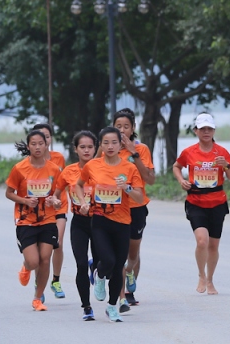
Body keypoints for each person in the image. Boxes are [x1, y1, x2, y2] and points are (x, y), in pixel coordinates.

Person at [77, 126, 145, 322]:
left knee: (119, 267)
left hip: (123, 222)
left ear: (120, 144)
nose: (110, 146)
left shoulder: (129, 168)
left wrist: (128, 188)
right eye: (105, 142)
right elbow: (79, 185)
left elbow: (140, 198)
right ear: (101, 145)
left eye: (114, 142)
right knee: (108, 260)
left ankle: (112, 306)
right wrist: (83, 202)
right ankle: (99, 275)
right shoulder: (93, 165)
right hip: (100, 220)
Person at [172, 112, 230, 295]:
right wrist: (181, 180)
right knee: (202, 241)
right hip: (196, 201)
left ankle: (210, 280)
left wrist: (226, 166)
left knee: (213, 246)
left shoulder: (222, 152)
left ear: (214, 130)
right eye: (202, 129)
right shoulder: (189, 152)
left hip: (217, 202)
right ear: (196, 131)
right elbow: (176, 166)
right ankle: (201, 275)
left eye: (209, 129)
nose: (206, 132)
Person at [5, 128, 63, 311]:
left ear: (47, 145)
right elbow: (8, 193)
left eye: (41, 143)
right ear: (28, 146)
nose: (38, 147)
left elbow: (58, 195)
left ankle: (37, 299)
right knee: (33, 261)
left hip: (47, 219)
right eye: (33, 144)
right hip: (25, 220)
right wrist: (24, 200)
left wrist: (54, 200)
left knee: (45, 259)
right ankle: (25, 267)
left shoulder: (54, 169)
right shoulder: (19, 168)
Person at [53, 130, 99, 321]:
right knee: (80, 264)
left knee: (101, 264)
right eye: (82, 147)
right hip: (79, 223)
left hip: (99, 223)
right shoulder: (69, 171)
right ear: (75, 149)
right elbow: (56, 194)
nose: (86, 151)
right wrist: (55, 201)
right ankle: (87, 307)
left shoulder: (102, 168)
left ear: (96, 148)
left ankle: (94, 266)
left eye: (90, 147)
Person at [112, 108, 154, 308]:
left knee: (132, 254)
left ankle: (130, 276)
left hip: (136, 206)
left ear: (133, 128)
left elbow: (150, 179)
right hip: (113, 207)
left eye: (126, 126)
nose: (122, 130)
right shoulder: (107, 149)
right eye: (118, 126)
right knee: (118, 252)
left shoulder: (141, 149)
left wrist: (133, 153)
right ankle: (123, 295)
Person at [31, 122, 69, 299]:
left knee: (58, 243)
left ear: (50, 140)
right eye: (39, 137)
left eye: (46, 136)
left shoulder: (59, 158)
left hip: (58, 206)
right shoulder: (28, 163)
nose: (43, 140)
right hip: (39, 211)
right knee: (40, 250)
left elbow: (64, 181)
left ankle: (56, 280)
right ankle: (39, 284)